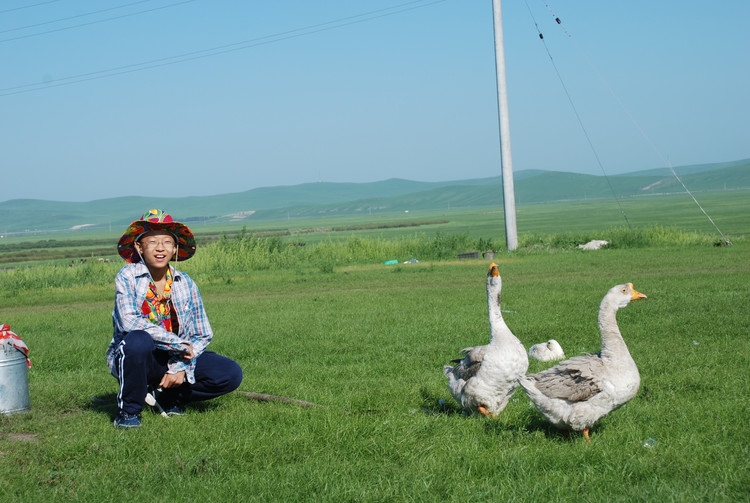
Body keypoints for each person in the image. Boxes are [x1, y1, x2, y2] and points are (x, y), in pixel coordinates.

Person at [107, 209, 243, 429]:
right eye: (152, 241)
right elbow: (129, 321)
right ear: (139, 247)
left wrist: (180, 366)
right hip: (139, 357)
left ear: (175, 248)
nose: (160, 248)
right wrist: (179, 345)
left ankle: (168, 397)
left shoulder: (185, 282)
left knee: (229, 373)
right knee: (138, 340)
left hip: (175, 356)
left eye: (167, 242)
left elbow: (202, 333)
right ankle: (129, 411)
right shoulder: (128, 276)